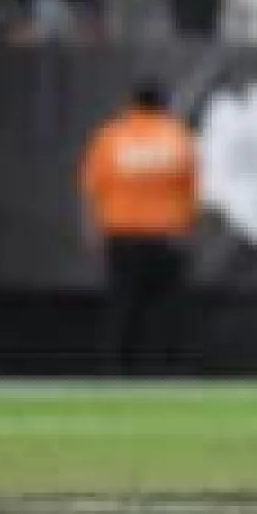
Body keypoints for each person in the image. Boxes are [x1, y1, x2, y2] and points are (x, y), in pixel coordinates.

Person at [80, 77, 199, 375]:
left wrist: (92, 231)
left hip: (122, 234)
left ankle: (117, 371)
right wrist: (188, 232)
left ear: (131, 103)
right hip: (167, 236)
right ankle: (168, 370)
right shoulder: (177, 137)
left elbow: (91, 187)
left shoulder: (112, 136)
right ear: (163, 104)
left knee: (123, 309)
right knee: (168, 314)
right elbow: (191, 190)